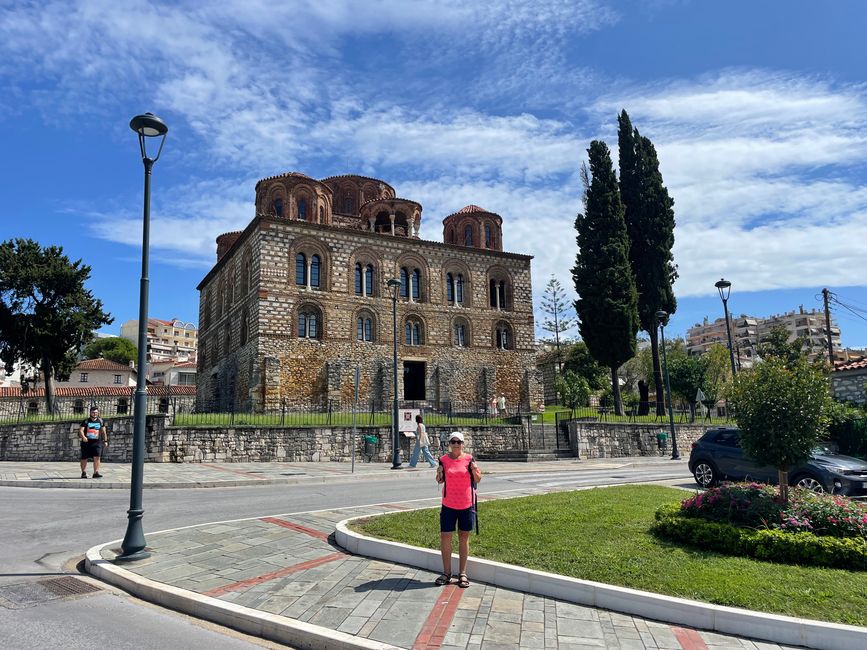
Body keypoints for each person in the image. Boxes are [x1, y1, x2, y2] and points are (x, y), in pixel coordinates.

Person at [435, 431, 482, 589]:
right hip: (448, 504)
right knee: (445, 536)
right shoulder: (443, 460)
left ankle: (462, 573)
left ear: (463, 444)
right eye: (453, 441)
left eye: (459, 442)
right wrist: (439, 474)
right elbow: (439, 481)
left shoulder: (469, 459)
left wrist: (475, 470)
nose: (456, 444)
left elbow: (478, 479)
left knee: (463, 537)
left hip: (466, 504)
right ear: (449, 444)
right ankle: (447, 573)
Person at [79, 406, 108, 478]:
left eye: (96, 412)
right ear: (90, 413)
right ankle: (83, 472)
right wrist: (83, 437)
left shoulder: (100, 421)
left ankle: (96, 472)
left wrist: (105, 440)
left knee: (97, 457)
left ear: (98, 413)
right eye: (93, 412)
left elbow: (104, 431)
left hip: (97, 442)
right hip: (86, 442)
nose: (95, 414)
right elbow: (81, 430)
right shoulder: (86, 421)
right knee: (84, 458)